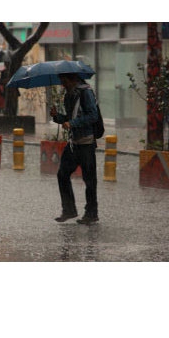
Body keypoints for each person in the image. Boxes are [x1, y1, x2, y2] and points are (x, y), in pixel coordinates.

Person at [49, 72, 99, 224]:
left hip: (86, 143)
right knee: (62, 175)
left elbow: (93, 115)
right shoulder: (69, 95)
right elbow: (70, 118)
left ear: (72, 79)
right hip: (73, 143)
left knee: (89, 180)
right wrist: (57, 117)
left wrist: (72, 124)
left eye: (64, 81)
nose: (62, 85)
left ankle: (91, 213)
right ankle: (69, 210)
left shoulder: (86, 93)